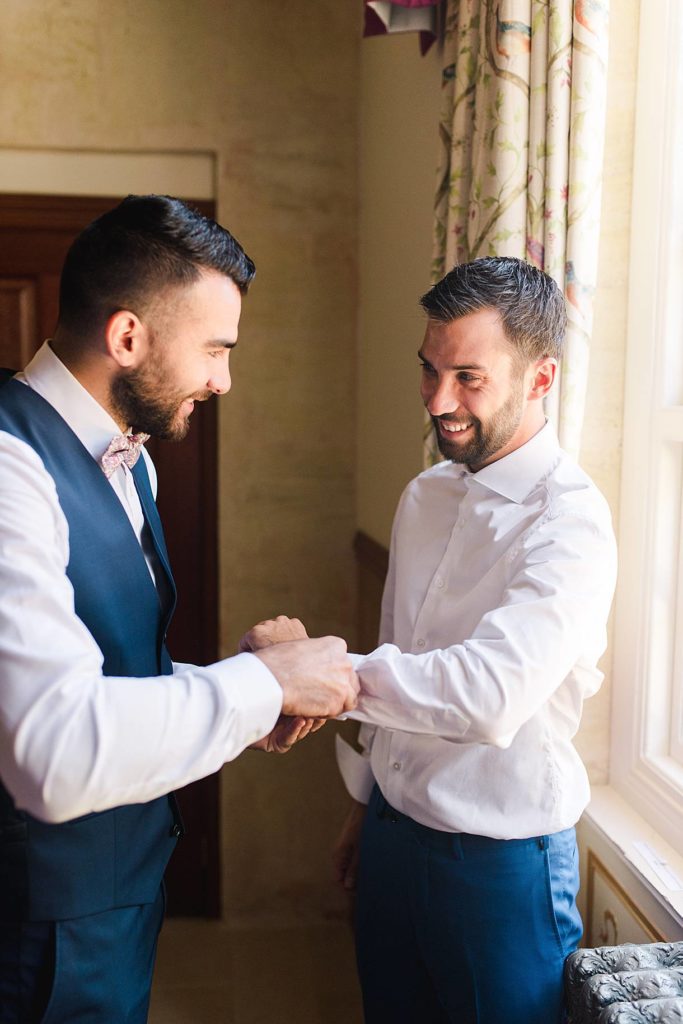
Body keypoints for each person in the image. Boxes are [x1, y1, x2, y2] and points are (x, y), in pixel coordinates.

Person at [0, 194, 358, 1024]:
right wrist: (260, 685)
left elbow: (101, 673)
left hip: (114, 902)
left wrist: (247, 694)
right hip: (35, 932)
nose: (222, 380)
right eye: (214, 349)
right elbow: (50, 751)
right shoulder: (11, 473)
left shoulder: (134, 464)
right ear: (128, 337)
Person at [244, 257, 618, 1024]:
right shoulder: (423, 495)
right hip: (390, 837)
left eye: (468, 378)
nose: (438, 401)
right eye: (428, 371)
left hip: (498, 865)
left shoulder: (570, 524)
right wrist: (364, 805)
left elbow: (487, 697)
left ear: (540, 379)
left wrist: (317, 672)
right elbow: (401, 651)